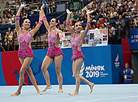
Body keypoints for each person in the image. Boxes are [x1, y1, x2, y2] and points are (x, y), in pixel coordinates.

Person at [11, 3, 42, 96]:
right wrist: (20, 7)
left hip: (28, 53)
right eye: (26, 22)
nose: (28, 23)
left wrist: (41, 12)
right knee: (30, 72)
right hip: (20, 53)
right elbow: (16, 18)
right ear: (22, 24)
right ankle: (37, 89)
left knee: (21, 71)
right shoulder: (18, 30)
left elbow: (40, 23)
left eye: (29, 22)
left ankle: (18, 90)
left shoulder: (31, 32)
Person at [66, 9, 94, 96]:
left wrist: (88, 15)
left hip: (79, 55)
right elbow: (67, 24)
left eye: (79, 25)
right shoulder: (73, 34)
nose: (78, 26)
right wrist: (69, 15)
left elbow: (88, 25)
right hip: (74, 56)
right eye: (76, 25)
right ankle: (90, 83)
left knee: (77, 74)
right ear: (74, 27)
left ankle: (76, 91)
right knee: (74, 75)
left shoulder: (82, 35)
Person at [41, 4, 67, 93]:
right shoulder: (48, 29)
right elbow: (44, 19)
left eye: (53, 21)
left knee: (58, 70)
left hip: (57, 53)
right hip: (50, 52)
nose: (51, 22)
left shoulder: (58, 31)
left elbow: (61, 36)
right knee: (43, 68)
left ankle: (60, 87)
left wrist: (63, 40)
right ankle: (48, 84)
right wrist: (42, 9)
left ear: (56, 23)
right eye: (51, 21)